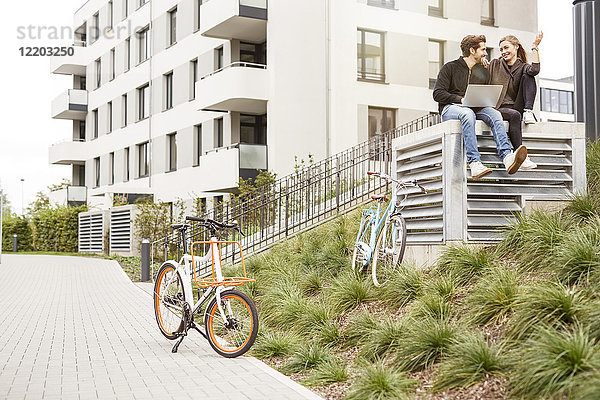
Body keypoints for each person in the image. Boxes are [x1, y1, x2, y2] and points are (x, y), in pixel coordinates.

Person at [433, 35, 527, 179]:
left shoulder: (481, 70)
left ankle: (507, 156)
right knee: (467, 114)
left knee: (495, 114)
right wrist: (460, 99)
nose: (485, 53)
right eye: (483, 49)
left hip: (474, 106)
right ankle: (475, 162)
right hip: (451, 108)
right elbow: (438, 94)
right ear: (472, 50)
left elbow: (484, 91)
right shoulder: (450, 67)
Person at [487, 32, 543, 170]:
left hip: (517, 106)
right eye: (501, 49)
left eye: (506, 48)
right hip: (499, 107)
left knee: (528, 76)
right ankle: (522, 156)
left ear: (516, 47)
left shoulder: (522, 66)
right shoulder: (495, 64)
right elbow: (481, 78)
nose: (503, 52)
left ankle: (528, 111)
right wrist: (481, 64)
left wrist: (535, 46)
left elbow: (535, 69)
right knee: (514, 115)